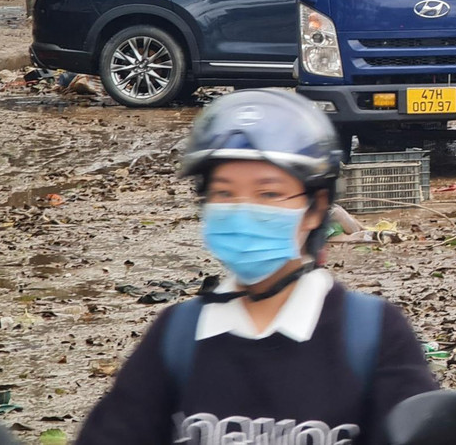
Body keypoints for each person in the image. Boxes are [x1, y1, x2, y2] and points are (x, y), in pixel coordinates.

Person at [76, 90, 437, 445]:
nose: (242, 209)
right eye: (224, 193)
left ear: (314, 208)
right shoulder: (177, 336)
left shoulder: (372, 335)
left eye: (268, 194)